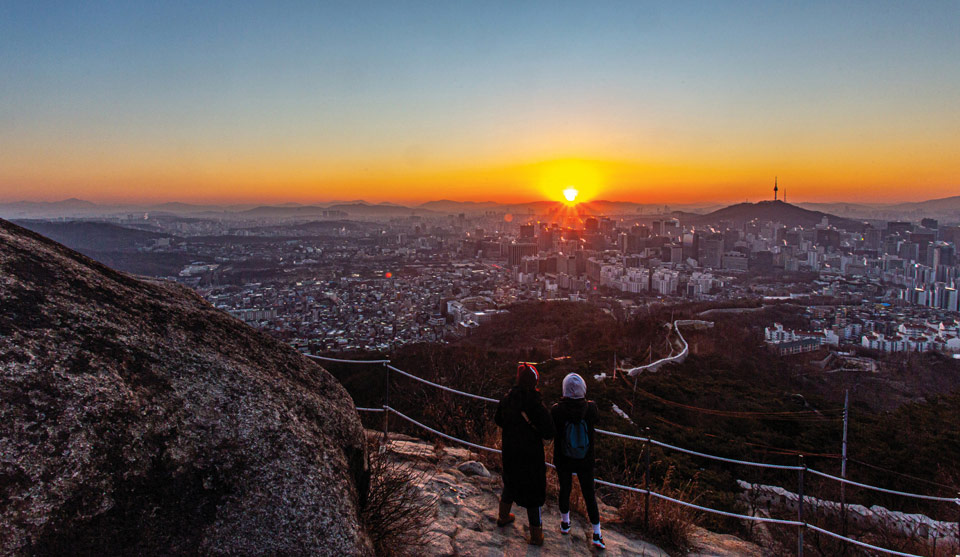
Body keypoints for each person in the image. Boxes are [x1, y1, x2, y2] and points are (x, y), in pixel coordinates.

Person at [494, 363, 556, 546]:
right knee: (533, 492)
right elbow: (549, 432)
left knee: (510, 482)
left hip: (510, 451)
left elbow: (498, 419)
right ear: (535, 382)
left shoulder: (507, 399)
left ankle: (503, 517)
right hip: (531, 455)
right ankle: (536, 535)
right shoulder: (536, 405)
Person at [551, 373, 604, 550]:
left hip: (563, 458)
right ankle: (597, 534)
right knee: (589, 494)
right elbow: (597, 420)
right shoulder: (591, 408)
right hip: (585, 459)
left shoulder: (557, 410)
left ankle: (565, 523)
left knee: (565, 489)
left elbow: (551, 430)